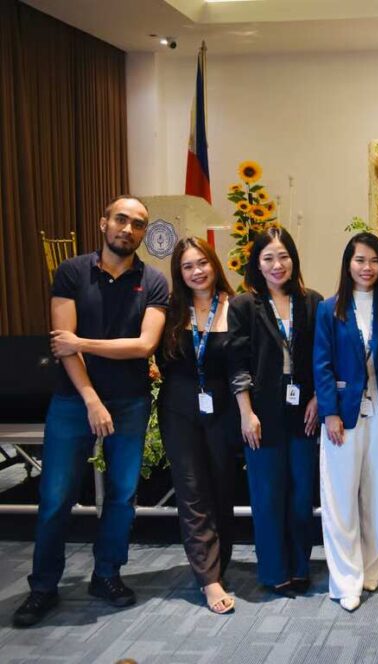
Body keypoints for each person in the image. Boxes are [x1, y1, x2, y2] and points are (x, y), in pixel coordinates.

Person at [13, 196, 168, 628]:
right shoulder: (72, 272)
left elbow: (143, 346)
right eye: (121, 219)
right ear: (104, 223)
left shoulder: (154, 282)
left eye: (138, 224)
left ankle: (107, 576)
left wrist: (81, 342)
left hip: (131, 401)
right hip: (73, 401)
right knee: (55, 496)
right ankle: (44, 586)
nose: (128, 229)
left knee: (121, 496)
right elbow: (63, 348)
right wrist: (91, 399)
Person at [228, 227, 322, 597]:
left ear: (293, 260)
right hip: (262, 410)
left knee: (301, 496)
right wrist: (246, 412)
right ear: (257, 263)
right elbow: (236, 363)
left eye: (283, 256)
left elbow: (322, 356)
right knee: (267, 496)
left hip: (304, 410)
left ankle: (299, 567)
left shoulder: (312, 302)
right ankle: (273, 571)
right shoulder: (243, 305)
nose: (277, 265)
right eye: (268, 258)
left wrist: (319, 398)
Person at [313, 232, 378, 612]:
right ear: (348, 264)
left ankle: (372, 567)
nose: (367, 268)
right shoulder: (329, 308)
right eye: (360, 260)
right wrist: (329, 412)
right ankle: (345, 579)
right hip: (343, 412)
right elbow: (321, 364)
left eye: (374, 261)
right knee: (340, 498)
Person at [156, 237, 238, 615]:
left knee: (222, 488)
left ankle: (219, 563)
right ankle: (208, 578)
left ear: (214, 264)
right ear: (179, 273)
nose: (197, 272)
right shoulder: (171, 310)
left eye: (202, 263)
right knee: (192, 491)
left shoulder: (237, 306)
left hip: (224, 409)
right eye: (187, 266)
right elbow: (156, 356)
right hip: (179, 409)